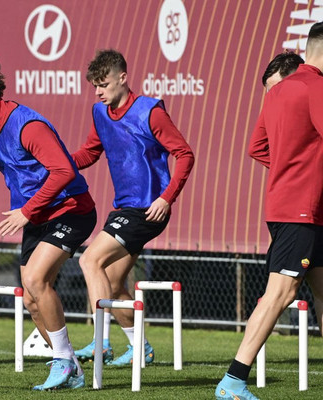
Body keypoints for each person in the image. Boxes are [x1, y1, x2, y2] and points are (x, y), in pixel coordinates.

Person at [0, 52, 97, 390]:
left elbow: (65, 170)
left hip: (71, 209)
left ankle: (63, 361)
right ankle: (72, 367)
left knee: (37, 280)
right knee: (29, 298)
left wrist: (26, 211)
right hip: (37, 215)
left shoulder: (28, 125)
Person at [215, 24, 323, 400]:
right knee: (281, 291)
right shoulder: (315, 87)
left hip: (290, 206)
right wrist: (301, 170)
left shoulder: (277, 92)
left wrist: (290, 165)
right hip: (301, 209)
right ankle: (233, 380)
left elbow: (257, 146)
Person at [72, 49, 194, 367]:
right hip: (124, 209)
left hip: (147, 210)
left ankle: (102, 343)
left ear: (123, 78)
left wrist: (166, 198)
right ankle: (140, 347)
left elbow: (185, 154)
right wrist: (60, 163)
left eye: (104, 84)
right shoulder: (99, 113)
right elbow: (89, 152)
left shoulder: (150, 111)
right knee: (112, 284)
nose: (98, 92)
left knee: (89, 260)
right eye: (95, 86)